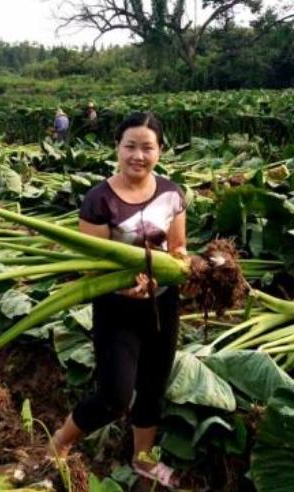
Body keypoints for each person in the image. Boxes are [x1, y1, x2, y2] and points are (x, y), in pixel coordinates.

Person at [50, 112, 187, 488]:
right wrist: (122, 288)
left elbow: (178, 249)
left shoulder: (173, 193)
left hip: (163, 305)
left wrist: (182, 266)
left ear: (159, 150)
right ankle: (59, 444)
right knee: (115, 398)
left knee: (154, 388)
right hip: (117, 310)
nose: (138, 155)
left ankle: (142, 459)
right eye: (130, 146)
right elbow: (93, 269)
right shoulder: (98, 200)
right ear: (117, 147)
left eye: (147, 147)